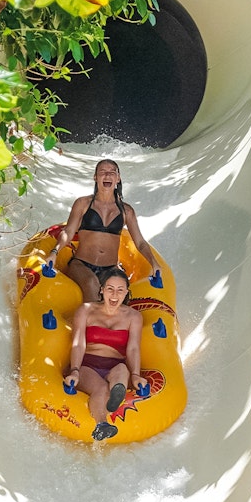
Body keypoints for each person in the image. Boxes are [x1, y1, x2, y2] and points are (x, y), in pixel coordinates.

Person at [46, 158, 160, 302]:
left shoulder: (126, 211)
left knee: (120, 295)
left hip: (110, 268)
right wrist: (54, 252)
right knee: (91, 283)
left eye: (112, 172)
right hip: (81, 264)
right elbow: (68, 232)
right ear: (95, 177)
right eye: (102, 172)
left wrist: (154, 263)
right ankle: (90, 320)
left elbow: (140, 243)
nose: (107, 175)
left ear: (118, 178)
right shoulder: (83, 204)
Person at [63, 268, 148, 441]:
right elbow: (79, 343)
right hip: (88, 364)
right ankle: (102, 424)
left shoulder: (134, 317)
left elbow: (133, 348)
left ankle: (118, 393)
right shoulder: (86, 310)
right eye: (110, 289)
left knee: (122, 371)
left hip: (115, 365)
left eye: (120, 290)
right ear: (101, 289)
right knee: (101, 388)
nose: (114, 295)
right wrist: (75, 370)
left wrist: (136, 375)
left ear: (126, 292)